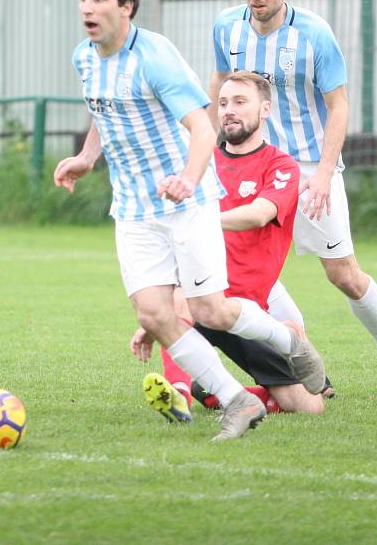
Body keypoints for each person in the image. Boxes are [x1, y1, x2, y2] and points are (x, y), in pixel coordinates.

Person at [54, 0, 326, 441]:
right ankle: (237, 401)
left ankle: (290, 340)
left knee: (210, 312)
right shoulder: (83, 57)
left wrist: (186, 178)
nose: (87, 9)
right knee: (154, 314)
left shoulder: (155, 56)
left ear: (127, 6)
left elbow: (203, 127)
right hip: (134, 208)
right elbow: (104, 108)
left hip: (188, 201)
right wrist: (86, 157)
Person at [208, 0, 377, 394]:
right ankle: (307, 366)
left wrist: (325, 171)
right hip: (251, 164)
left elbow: (338, 106)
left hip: (307, 166)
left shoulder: (314, 34)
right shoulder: (226, 27)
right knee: (246, 270)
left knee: (343, 274)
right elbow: (219, 85)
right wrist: (214, 148)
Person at [132, 72, 326, 418]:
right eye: (223, 103)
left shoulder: (281, 165)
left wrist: (202, 217)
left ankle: (228, 391)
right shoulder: (203, 164)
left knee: (308, 407)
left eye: (240, 102)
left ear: (265, 110)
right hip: (201, 298)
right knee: (176, 299)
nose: (228, 111)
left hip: (246, 313)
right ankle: (179, 397)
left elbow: (259, 214)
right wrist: (155, 320)